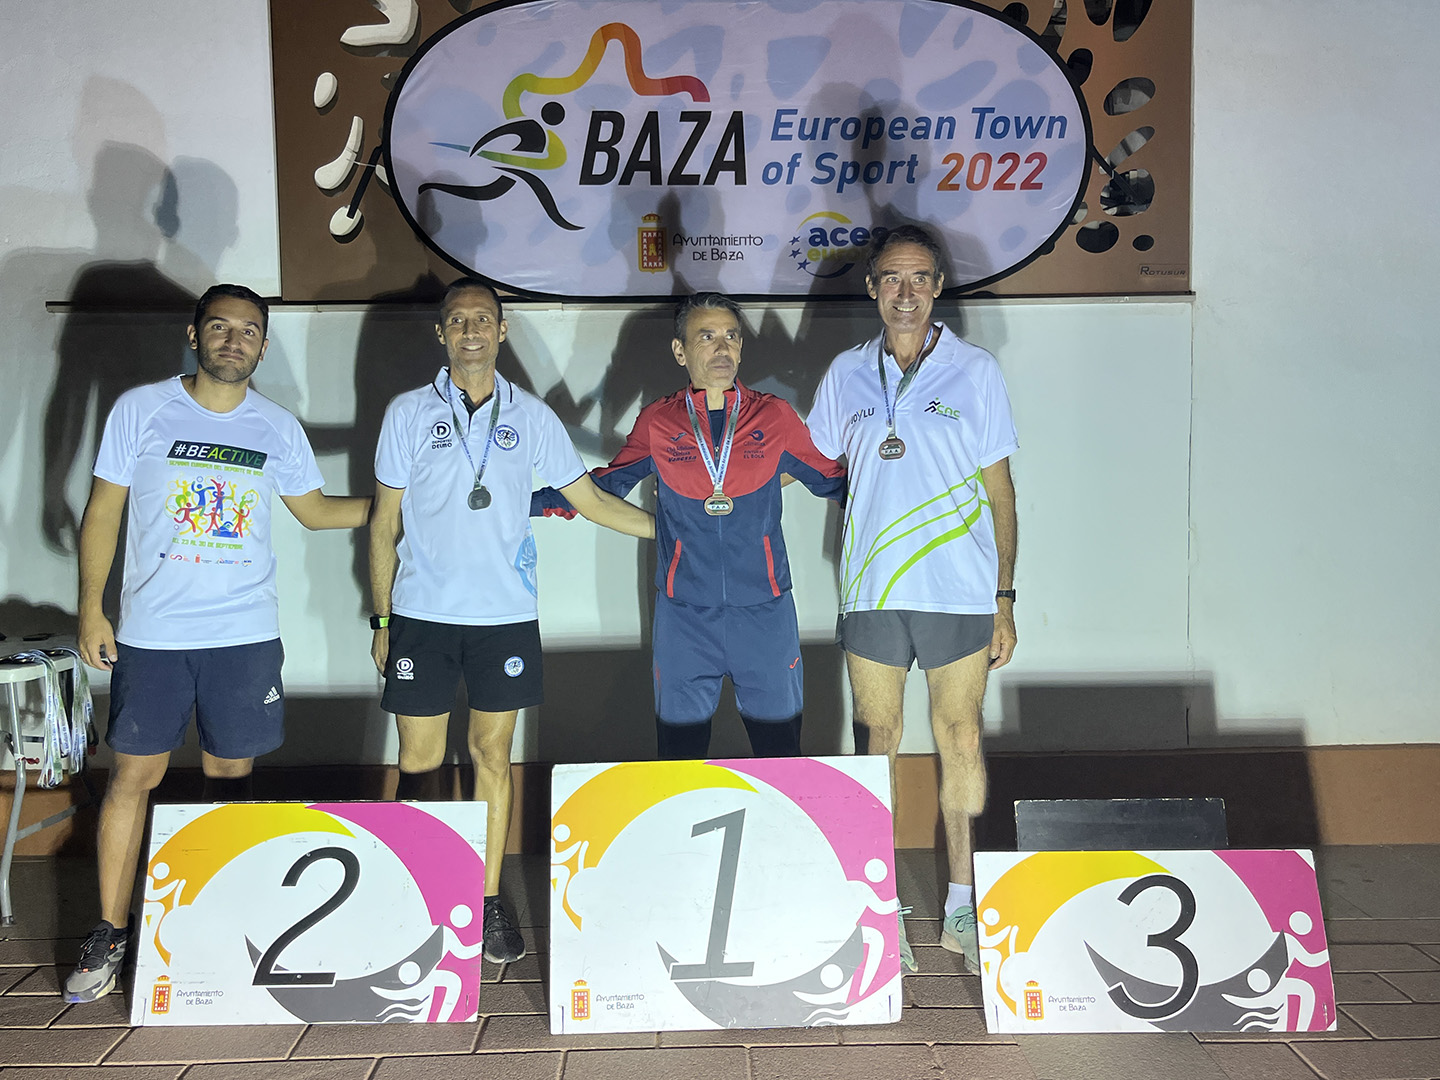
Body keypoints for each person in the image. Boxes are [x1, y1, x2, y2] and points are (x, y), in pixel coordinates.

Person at [65, 284, 372, 1003]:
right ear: (194, 334)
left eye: (249, 331)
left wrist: (408, 507)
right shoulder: (140, 409)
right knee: (133, 778)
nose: (235, 340)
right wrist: (90, 610)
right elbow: (103, 511)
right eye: (221, 327)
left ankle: (219, 922)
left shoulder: (276, 426)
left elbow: (316, 512)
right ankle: (110, 931)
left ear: (263, 345)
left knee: (230, 776)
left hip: (245, 636)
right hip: (153, 635)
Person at [369, 278, 654, 964]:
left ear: (501, 331)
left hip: (504, 619)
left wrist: (673, 532)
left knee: (491, 755)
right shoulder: (408, 412)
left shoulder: (531, 416)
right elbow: (382, 524)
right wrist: (381, 619)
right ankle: (421, 893)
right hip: (421, 616)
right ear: (442, 332)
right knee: (419, 761)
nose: (470, 330)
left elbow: (589, 501)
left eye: (483, 319)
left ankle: (488, 896)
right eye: (458, 319)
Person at [806, 225, 1019, 974]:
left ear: (937, 287)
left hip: (960, 589)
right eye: (892, 279)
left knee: (961, 737)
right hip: (872, 588)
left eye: (920, 278)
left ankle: (962, 901)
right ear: (872, 288)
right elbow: (809, 462)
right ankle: (881, 904)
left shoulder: (976, 371)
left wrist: (1004, 597)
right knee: (878, 740)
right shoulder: (845, 373)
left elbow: (1002, 492)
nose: (906, 293)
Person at [536, 293, 845, 759]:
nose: (722, 348)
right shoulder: (659, 422)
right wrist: (520, 504)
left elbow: (835, 482)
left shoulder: (775, 417)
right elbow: (601, 488)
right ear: (679, 351)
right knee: (679, 762)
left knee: (781, 757)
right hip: (684, 619)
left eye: (731, 336)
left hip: (764, 615)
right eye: (707, 336)